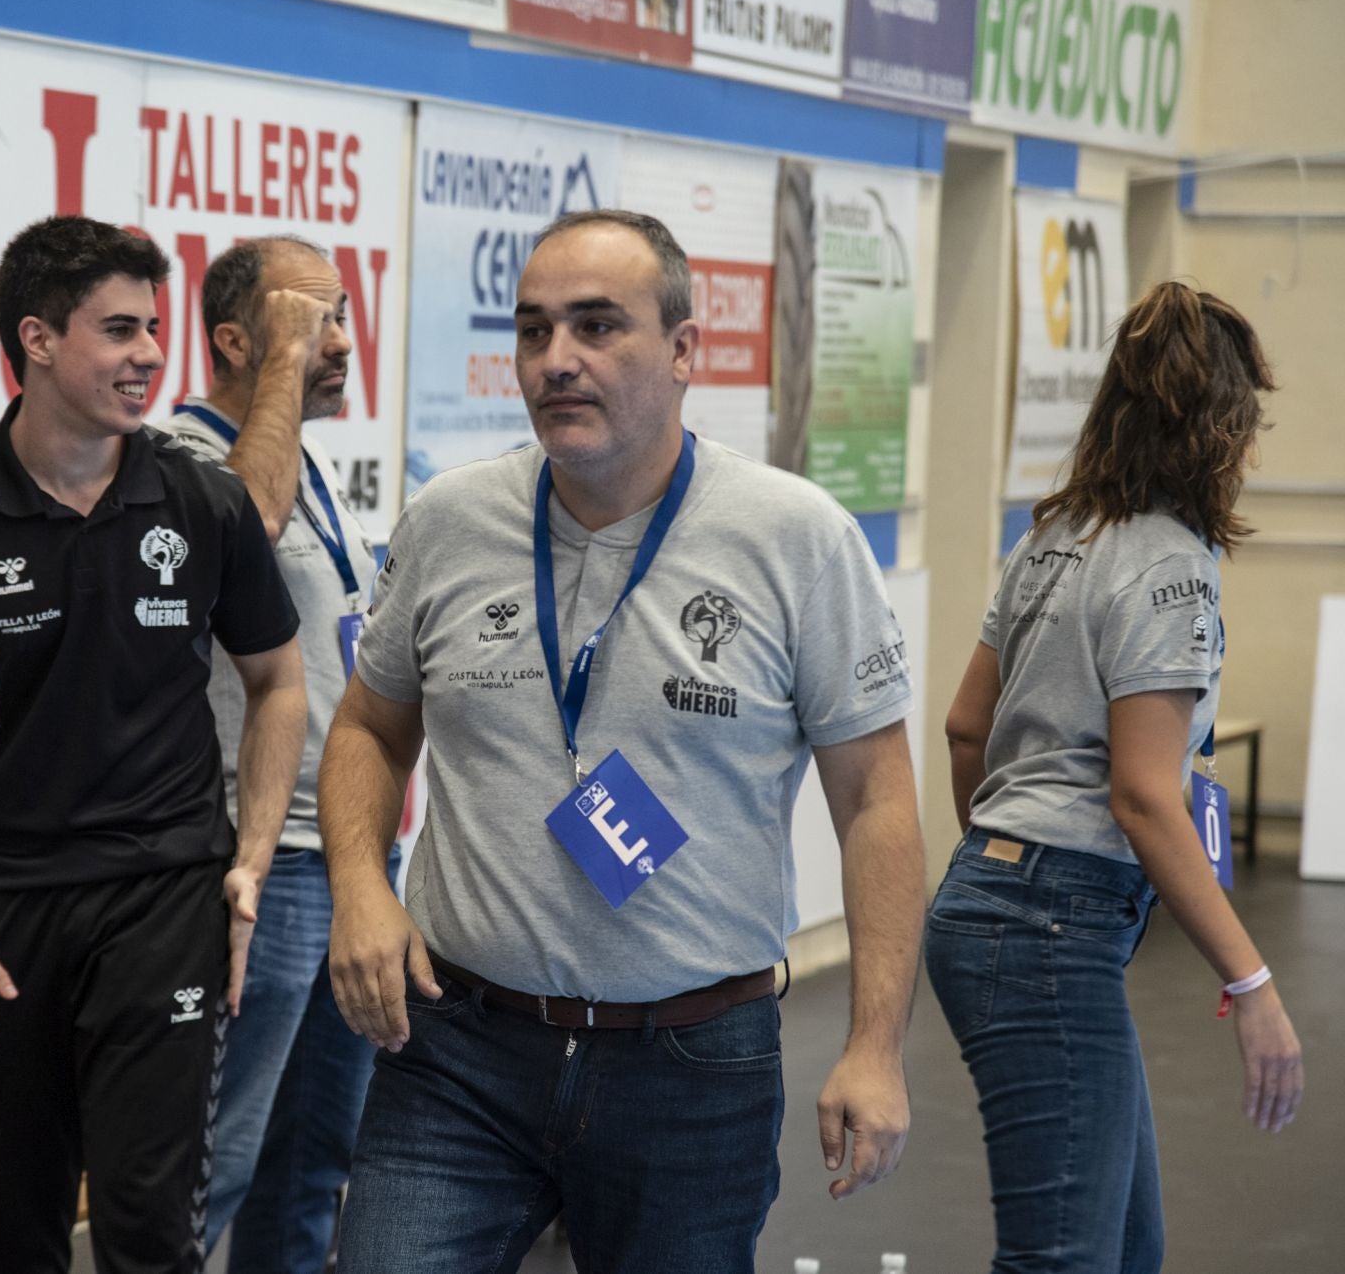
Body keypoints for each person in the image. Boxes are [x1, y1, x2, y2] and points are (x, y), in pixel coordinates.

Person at [319, 209, 927, 1272]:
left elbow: (877, 799)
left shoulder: (795, 539)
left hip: (691, 1065)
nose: (558, 359)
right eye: (535, 330)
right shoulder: (450, 521)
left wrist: (876, 1045)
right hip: (457, 1047)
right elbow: (370, 724)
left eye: (597, 326)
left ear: (684, 350)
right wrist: (360, 888)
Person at [0, 216, 307, 1274]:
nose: (149, 354)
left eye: (153, 327)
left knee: (149, 1232)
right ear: (39, 339)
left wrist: (249, 858)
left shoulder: (204, 498)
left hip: (164, 899)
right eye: (119, 329)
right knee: (16, 1237)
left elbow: (279, 679)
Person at [926, 281, 1304, 1273]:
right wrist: (1252, 982)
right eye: (1248, 424)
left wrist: (999, 864)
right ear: (1221, 426)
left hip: (990, 902)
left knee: (1127, 1249)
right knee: (1065, 1260)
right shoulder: (1173, 568)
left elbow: (967, 730)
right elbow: (1142, 795)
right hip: (1052, 928)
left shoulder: (1051, 539)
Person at [158, 236, 391, 1272]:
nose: (336, 342)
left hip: (344, 857)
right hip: (258, 867)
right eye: (307, 320)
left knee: (311, 1168)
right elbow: (243, 525)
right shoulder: (178, 455)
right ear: (234, 341)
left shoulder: (310, 461)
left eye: (339, 317)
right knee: (212, 1167)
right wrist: (287, 374)